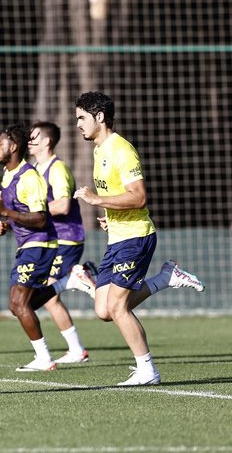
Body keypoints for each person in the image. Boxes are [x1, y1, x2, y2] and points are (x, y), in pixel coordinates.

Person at [73, 91, 205, 385]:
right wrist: (110, 216)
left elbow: (139, 197)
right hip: (118, 237)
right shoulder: (99, 150)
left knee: (118, 308)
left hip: (136, 237)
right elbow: (120, 196)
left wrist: (96, 200)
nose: (78, 124)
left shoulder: (122, 150)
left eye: (82, 118)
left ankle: (147, 370)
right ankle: (165, 278)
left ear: (99, 117)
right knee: (103, 310)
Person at [0, 122, 66, 373]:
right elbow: (19, 213)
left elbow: (41, 218)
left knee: (19, 303)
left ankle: (44, 358)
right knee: (18, 305)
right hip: (27, 245)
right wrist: (5, 223)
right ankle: (67, 283)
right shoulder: (8, 174)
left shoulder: (29, 177)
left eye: (0, 143)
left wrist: (6, 212)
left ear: (13, 147)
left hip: (40, 244)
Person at [28, 121, 93, 364]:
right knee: (47, 297)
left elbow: (63, 205)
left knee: (48, 294)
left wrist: (31, 212)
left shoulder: (57, 169)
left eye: (33, 137)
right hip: (50, 240)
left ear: (46, 141)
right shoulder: (34, 169)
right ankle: (77, 350)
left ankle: (75, 278)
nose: (29, 141)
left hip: (67, 238)